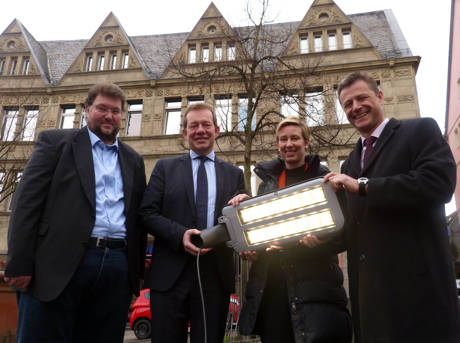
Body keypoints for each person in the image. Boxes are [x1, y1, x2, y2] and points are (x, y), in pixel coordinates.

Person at [4, 83, 147, 342]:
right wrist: (19, 262)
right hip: (58, 264)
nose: (109, 116)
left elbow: (137, 218)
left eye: (115, 111)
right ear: (86, 109)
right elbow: (26, 205)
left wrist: (134, 274)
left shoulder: (133, 160)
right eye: (101, 108)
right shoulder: (55, 143)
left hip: (115, 266)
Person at [323, 72, 460, 342]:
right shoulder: (349, 162)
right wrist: (315, 239)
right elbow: (353, 228)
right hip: (372, 307)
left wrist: (363, 186)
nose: (355, 107)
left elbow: (438, 184)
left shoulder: (419, 131)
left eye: (362, 98)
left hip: (420, 299)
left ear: (380, 96)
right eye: (348, 104)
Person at [235, 116, 352, 343]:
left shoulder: (324, 180)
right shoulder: (267, 184)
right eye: (283, 139)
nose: (289, 144)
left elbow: (344, 234)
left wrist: (322, 242)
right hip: (273, 288)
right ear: (278, 145)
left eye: (295, 138)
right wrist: (252, 249)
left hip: (314, 287)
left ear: (306, 142)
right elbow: (263, 231)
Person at [139, 102, 246, 343]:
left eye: (206, 124)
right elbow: (146, 213)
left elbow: (240, 223)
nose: (200, 130)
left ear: (216, 130)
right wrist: (180, 234)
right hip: (169, 277)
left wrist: (246, 205)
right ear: (184, 133)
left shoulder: (234, 174)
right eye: (193, 125)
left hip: (214, 277)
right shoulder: (164, 168)